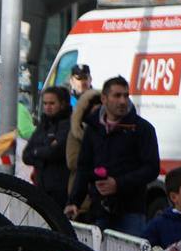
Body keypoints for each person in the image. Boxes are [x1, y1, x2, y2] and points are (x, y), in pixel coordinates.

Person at [65, 76, 160, 237]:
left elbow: (151, 168)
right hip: (99, 209)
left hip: (131, 210)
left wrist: (119, 183)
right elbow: (84, 168)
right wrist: (74, 202)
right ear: (104, 98)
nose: (123, 101)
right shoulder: (93, 128)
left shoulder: (142, 129)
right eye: (117, 95)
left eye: (126, 95)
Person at [22, 86, 72, 207]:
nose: (48, 107)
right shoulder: (43, 125)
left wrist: (37, 152)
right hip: (41, 186)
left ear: (62, 104)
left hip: (60, 189)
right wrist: (43, 151)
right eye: (45, 103)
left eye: (52, 103)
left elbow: (55, 152)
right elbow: (26, 155)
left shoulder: (67, 125)